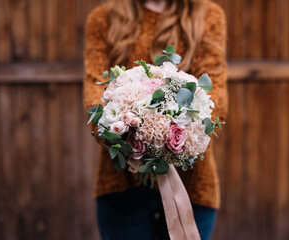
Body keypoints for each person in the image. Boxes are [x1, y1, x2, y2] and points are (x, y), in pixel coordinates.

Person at [83, 0, 228, 239]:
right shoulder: (103, 18)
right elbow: (93, 92)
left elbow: (216, 93)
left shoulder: (208, 15)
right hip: (121, 187)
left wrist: (169, 136)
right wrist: (133, 136)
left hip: (192, 186)